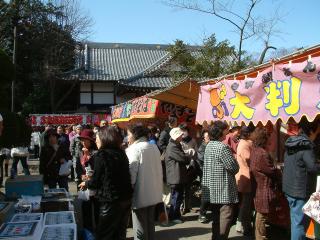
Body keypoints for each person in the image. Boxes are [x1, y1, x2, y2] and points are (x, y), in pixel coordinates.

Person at [79, 126, 132, 240]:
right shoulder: (121, 153)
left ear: (105, 139)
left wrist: (86, 183)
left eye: (97, 138)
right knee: (119, 233)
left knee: (104, 235)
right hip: (125, 200)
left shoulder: (101, 154)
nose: (96, 141)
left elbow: (95, 182)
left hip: (111, 201)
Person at [283, 118, 320, 240]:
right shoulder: (305, 146)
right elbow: (313, 168)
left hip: (289, 189)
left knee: (295, 221)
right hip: (300, 191)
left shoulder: (290, 142)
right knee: (299, 224)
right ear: (309, 133)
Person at [202, 120, 239, 240]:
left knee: (216, 219)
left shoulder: (209, 145)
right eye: (226, 130)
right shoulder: (223, 147)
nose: (227, 132)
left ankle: (216, 237)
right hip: (223, 190)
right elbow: (233, 168)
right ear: (221, 132)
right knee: (225, 217)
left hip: (212, 188)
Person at [126, 124, 163, 240]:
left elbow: (132, 173)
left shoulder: (134, 149)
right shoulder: (153, 147)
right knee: (150, 223)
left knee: (140, 226)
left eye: (128, 134)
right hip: (154, 192)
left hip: (140, 192)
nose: (127, 138)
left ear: (135, 135)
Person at [250, 127, 277, 240]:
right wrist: (277, 169)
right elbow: (271, 171)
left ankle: (259, 236)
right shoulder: (262, 153)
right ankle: (260, 237)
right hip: (263, 186)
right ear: (264, 139)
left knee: (260, 214)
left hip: (259, 186)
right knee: (261, 215)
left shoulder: (255, 150)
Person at [165, 127, 191, 223]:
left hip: (177, 175)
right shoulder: (172, 146)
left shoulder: (175, 144)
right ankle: (174, 216)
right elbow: (183, 158)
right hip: (175, 175)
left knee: (177, 196)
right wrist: (188, 156)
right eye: (180, 135)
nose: (181, 136)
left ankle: (175, 215)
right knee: (176, 196)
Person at [235, 124, 255, 235]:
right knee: (246, 203)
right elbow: (249, 160)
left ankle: (243, 224)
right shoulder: (244, 144)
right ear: (249, 133)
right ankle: (241, 225)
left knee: (246, 202)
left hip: (245, 175)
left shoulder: (246, 143)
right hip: (246, 176)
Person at [197, 129, 211, 223]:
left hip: (210, 173)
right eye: (207, 137)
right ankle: (202, 214)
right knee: (206, 195)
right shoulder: (202, 147)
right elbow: (201, 160)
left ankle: (205, 212)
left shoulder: (210, 146)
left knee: (210, 195)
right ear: (203, 138)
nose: (209, 139)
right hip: (205, 174)